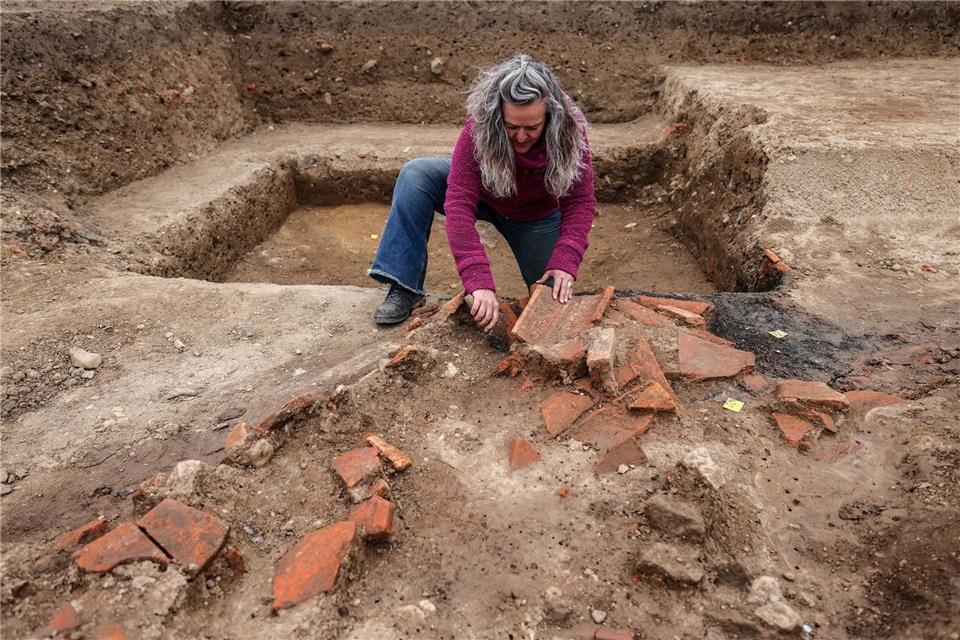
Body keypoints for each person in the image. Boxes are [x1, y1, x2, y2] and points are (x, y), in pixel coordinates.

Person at [369, 54, 596, 331]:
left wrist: (565, 260)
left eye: (532, 128)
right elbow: (459, 201)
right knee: (416, 174)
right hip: (485, 197)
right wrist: (477, 280)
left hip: (535, 214)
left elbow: (580, 200)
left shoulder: (570, 130)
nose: (521, 137)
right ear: (498, 114)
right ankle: (404, 285)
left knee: (548, 301)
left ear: (550, 114)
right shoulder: (480, 125)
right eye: (512, 127)